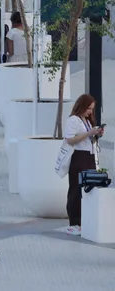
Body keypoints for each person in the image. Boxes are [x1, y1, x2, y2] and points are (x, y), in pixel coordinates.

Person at [62, 94, 104, 236]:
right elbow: (70, 140)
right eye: (88, 109)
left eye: (92, 109)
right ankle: (74, 222)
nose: (90, 112)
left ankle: (85, 220)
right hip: (79, 157)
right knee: (76, 189)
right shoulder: (73, 120)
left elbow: (88, 137)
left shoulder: (86, 120)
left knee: (88, 188)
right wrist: (89, 133)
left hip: (90, 156)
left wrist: (96, 133)